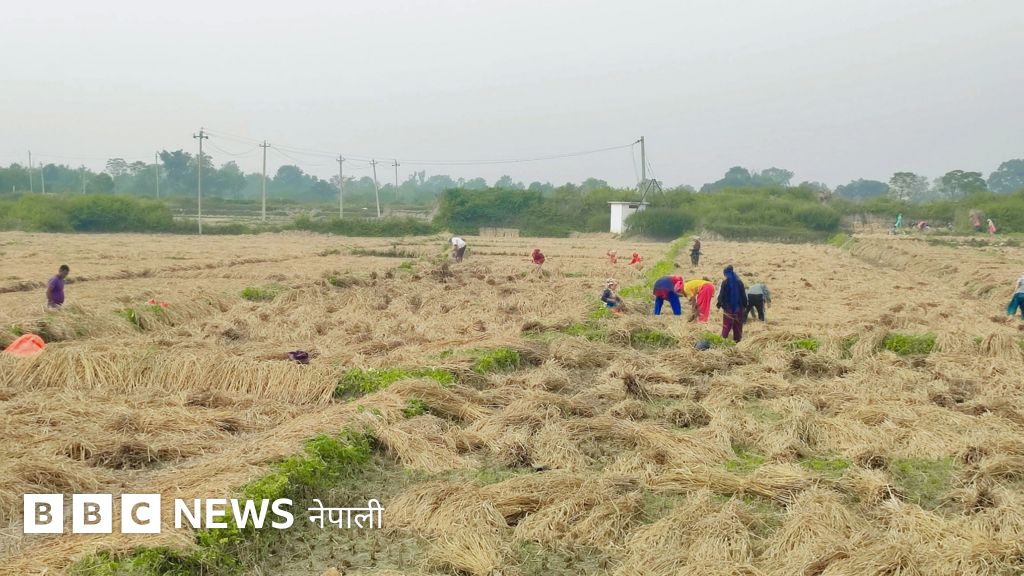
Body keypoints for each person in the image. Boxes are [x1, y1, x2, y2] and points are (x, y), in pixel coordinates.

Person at [716, 265, 747, 342]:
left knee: (726, 326)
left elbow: (721, 294)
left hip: (728, 308)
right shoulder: (739, 282)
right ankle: (737, 342)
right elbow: (743, 295)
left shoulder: (725, 282)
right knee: (738, 326)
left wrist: (719, 304)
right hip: (738, 308)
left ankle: (722, 341)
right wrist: (745, 305)